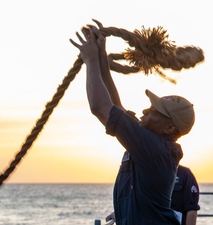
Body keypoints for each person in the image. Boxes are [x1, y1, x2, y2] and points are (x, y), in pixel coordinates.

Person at [70, 24, 195, 224]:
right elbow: (115, 106)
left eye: (155, 110)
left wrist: (91, 60)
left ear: (169, 128)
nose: (146, 110)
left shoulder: (154, 149)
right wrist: (101, 54)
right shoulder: (151, 143)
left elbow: (100, 107)